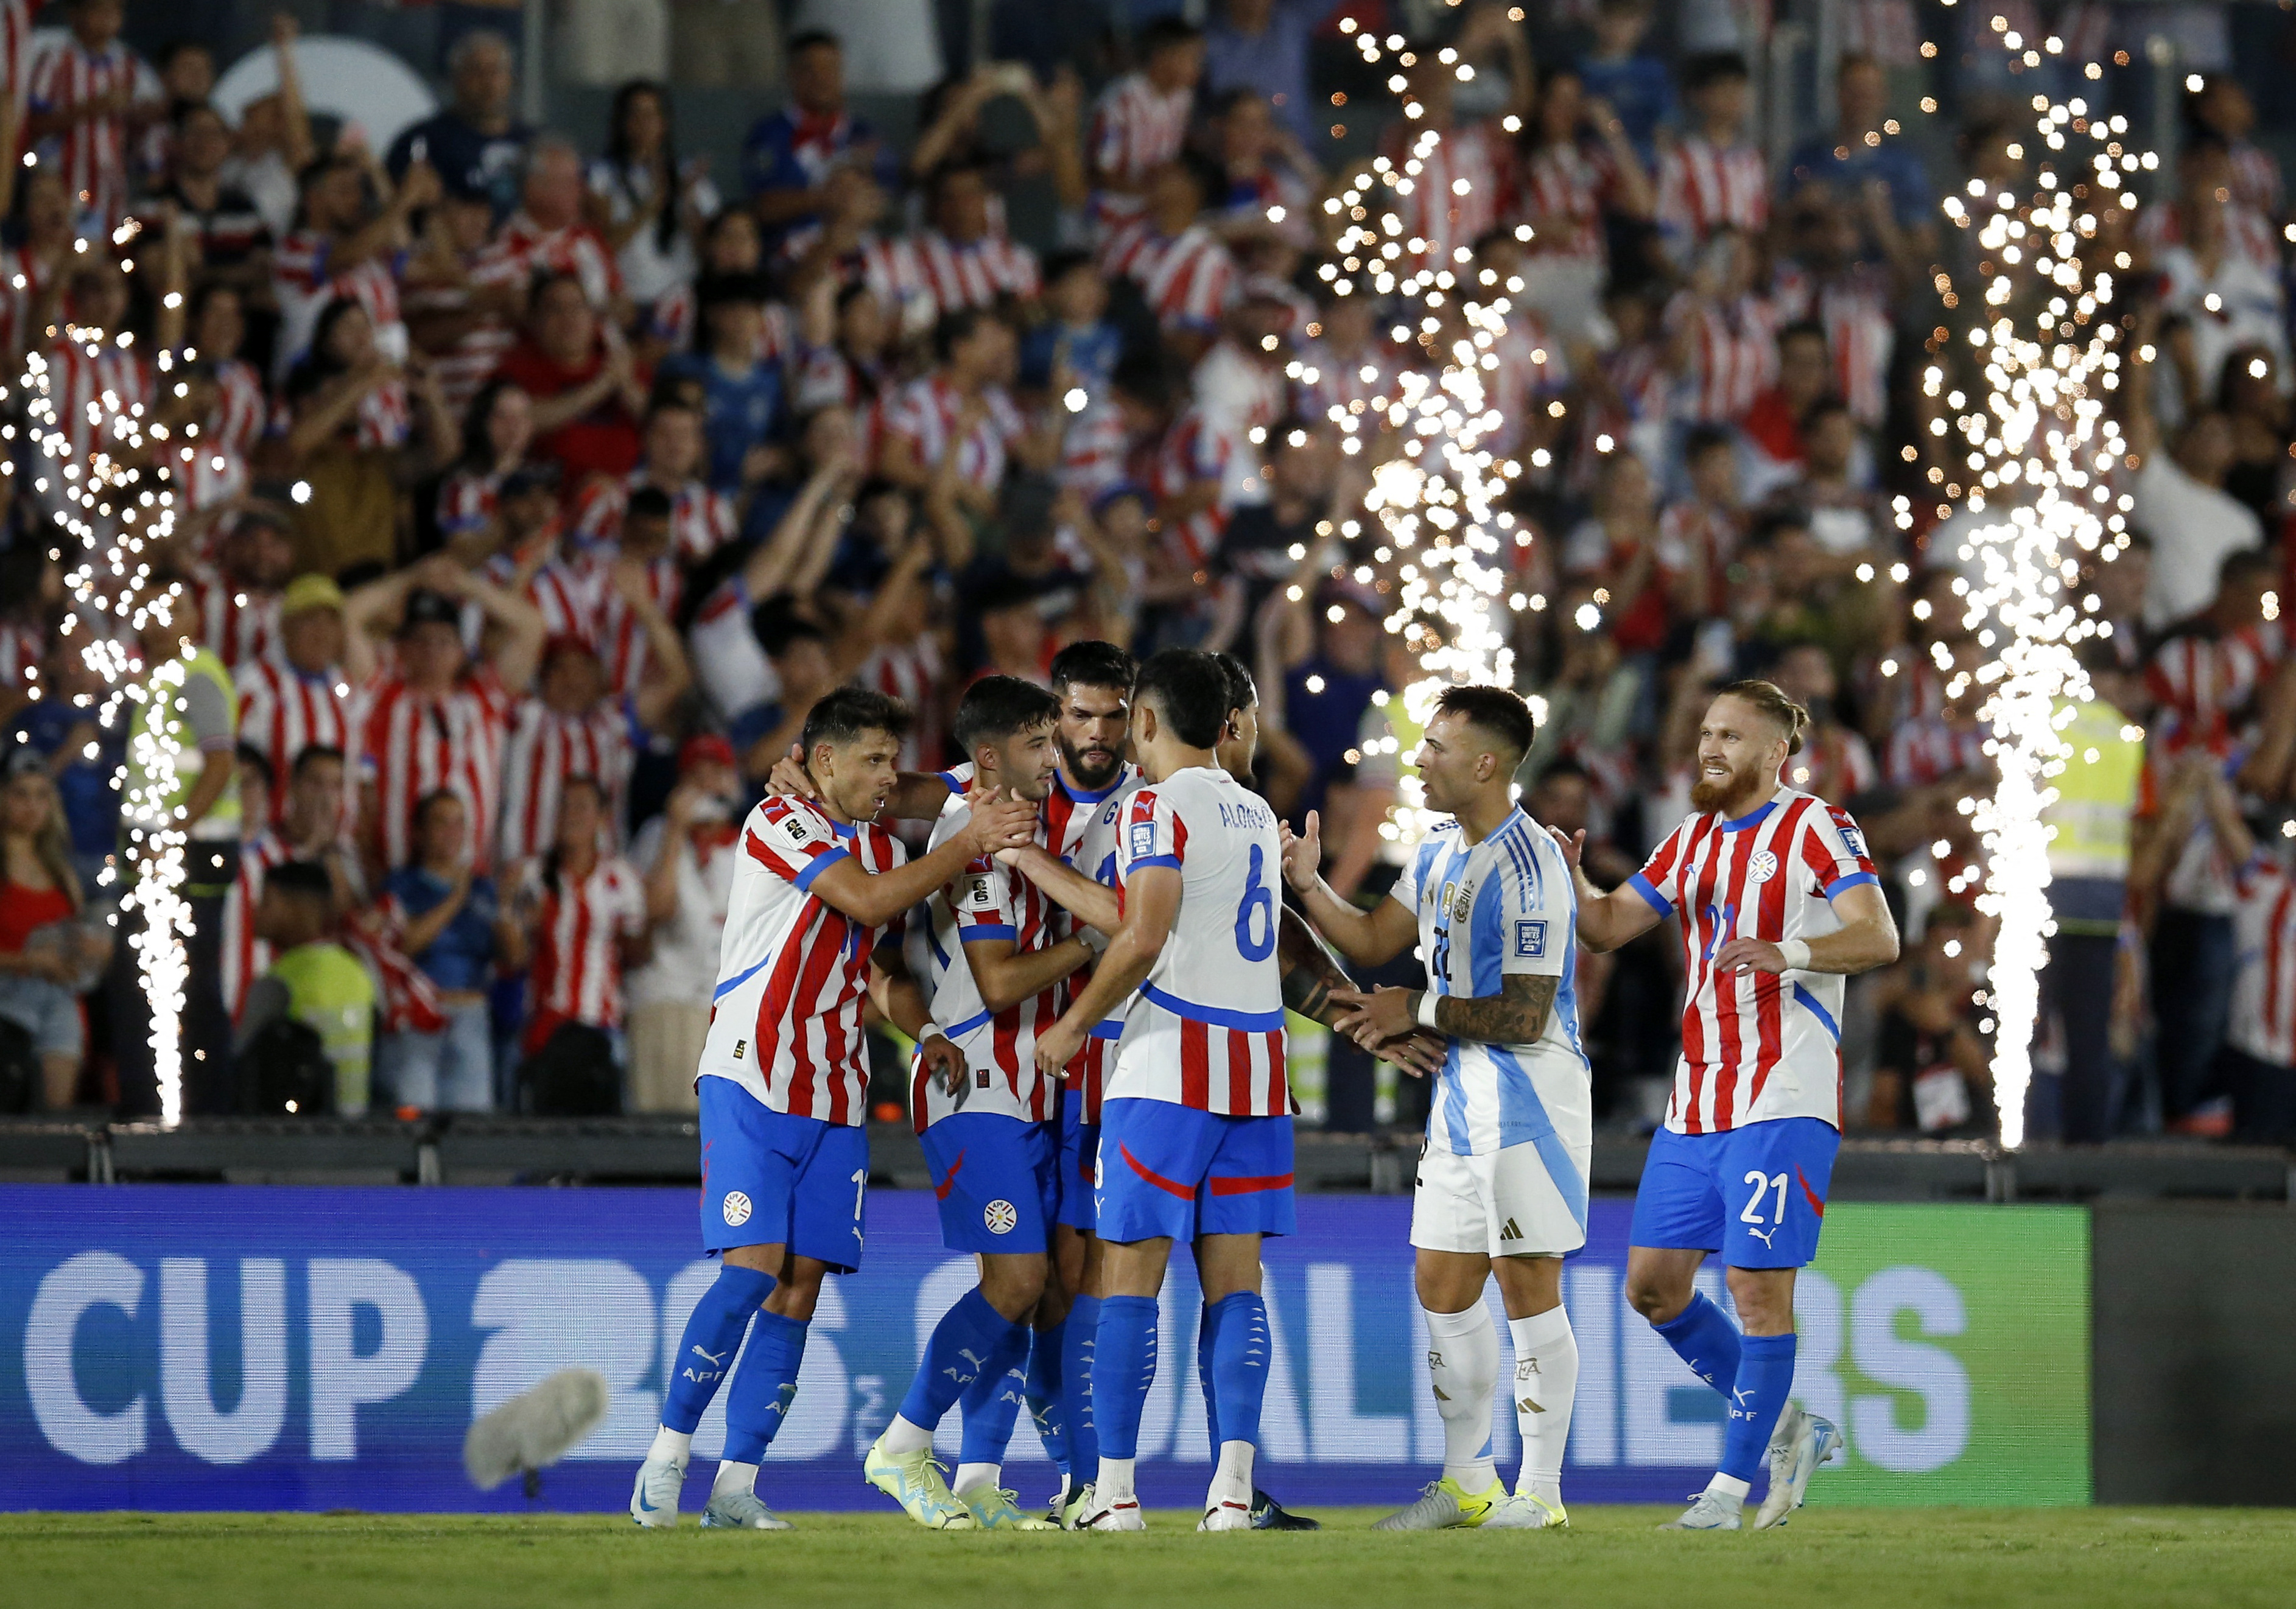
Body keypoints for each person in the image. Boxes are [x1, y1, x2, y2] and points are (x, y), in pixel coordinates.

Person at [628, 687, 1034, 1530]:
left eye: (894, 758)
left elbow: (875, 967)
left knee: (798, 1287)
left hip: (835, 1086)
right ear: (822, 761)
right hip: (752, 1074)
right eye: (874, 759)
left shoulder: (878, 839)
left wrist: (923, 1032)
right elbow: (869, 902)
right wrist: (961, 847)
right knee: (750, 1268)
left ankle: (736, 1485)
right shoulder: (778, 823)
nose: (890, 775)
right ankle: (664, 1458)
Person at [1557, 679, 1900, 1531]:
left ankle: (1724, 1491)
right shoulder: (1691, 837)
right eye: (1705, 732)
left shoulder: (1816, 826)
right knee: (1651, 1287)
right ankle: (1790, 1425)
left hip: (1782, 1090)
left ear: (1773, 753)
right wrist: (1567, 876)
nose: (1709, 748)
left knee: (1754, 1284)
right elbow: (1603, 926)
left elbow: (1878, 934)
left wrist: (1788, 948)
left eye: (1730, 737)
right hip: (1696, 1098)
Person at [1277, 684, 1584, 1531]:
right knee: (1441, 1284)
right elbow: (1374, 940)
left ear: (1485, 762)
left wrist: (1410, 1009)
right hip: (1459, 1102)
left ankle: (1542, 1494)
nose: (1419, 759)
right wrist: (1309, 887)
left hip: (1531, 1101)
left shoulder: (1530, 866)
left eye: (1438, 747)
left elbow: (1524, 1013)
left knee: (1528, 1288)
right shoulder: (1439, 849)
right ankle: (1466, 1481)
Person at [1027, 650, 1288, 1532]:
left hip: (1168, 1066)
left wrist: (1068, 1027)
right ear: (1225, 723)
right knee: (1236, 1287)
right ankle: (1229, 1492)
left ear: (1142, 721)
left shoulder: (1150, 802)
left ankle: (1115, 1494)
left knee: (1126, 1280)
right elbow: (1170, 918)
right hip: (1254, 1068)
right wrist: (1034, 860)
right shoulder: (1253, 809)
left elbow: (1139, 935)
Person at [869, 676, 1098, 1531]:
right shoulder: (975, 833)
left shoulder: (1029, 811)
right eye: (1040, 742)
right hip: (973, 1081)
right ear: (992, 756)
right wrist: (1090, 939)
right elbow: (998, 983)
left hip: (1036, 1091)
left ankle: (976, 1477)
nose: (1058, 753)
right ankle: (900, 1442)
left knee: (1031, 1295)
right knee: (1019, 1278)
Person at [112, 580, 244, 1117]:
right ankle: (171, 1118)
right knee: (159, 993)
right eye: (151, 610)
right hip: (167, 856)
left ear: (196, 618)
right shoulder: (160, 680)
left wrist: (170, 835)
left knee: (175, 994)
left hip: (183, 859)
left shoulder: (195, 676)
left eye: (174, 609)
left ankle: (189, 1123)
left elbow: (219, 761)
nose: (160, 620)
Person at [624, 735, 743, 1113]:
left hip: (724, 1009)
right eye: (697, 777)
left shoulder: (749, 845)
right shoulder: (657, 836)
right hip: (666, 999)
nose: (708, 785)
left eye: (717, 774)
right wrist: (676, 829)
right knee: (663, 1132)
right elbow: (655, 910)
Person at [376, 789, 513, 1114]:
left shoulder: (485, 890)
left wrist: (506, 907)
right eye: (441, 823)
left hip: (472, 1019)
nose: (452, 833)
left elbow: (513, 958)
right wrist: (455, 897)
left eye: (459, 824)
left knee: (471, 1131)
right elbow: (405, 944)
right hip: (418, 1022)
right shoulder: (401, 885)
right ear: (420, 832)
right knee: (412, 1123)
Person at [508, 774, 648, 1063]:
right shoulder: (530, 876)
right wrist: (516, 918)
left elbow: (638, 955)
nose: (571, 815)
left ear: (602, 818)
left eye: (581, 807)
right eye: (565, 806)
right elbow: (513, 959)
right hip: (542, 1028)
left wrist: (631, 933)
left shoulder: (622, 879)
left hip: (602, 1025)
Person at [0, 751, 105, 1109]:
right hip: (9, 996)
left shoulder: (62, 870)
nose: (32, 806)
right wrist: (26, 960)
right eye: (20, 794)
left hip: (59, 997)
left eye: (42, 795)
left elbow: (75, 935)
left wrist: (90, 950)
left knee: (54, 1117)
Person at [233, 860, 376, 1114]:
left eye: (266, 901)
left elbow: (238, 1058)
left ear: (292, 906)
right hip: (356, 1127)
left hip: (300, 1135)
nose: (255, 912)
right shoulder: (358, 972)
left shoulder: (280, 982)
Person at [385, 28, 535, 222]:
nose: (488, 83)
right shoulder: (423, 141)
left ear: (512, 80)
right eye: (476, 71)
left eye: (496, 71)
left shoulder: (535, 143)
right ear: (455, 79)